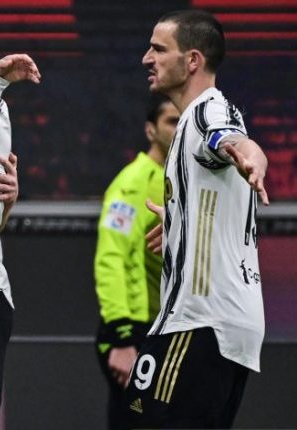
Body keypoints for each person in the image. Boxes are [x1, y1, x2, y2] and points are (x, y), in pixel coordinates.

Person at [124, 10, 269, 428]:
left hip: (200, 321)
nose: (146, 58)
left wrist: (254, 157)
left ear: (192, 61)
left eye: (158, 49)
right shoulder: (202, 117)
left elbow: (232, 141)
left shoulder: (206, 111)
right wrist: (180, 222)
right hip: (222, 323)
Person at [93, 93, 179, 430]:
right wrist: (122, 337)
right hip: (134, 332)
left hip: (167, 330)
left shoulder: (180, 181)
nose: (179, 128)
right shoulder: (132, 185)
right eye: (171, 121)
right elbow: (111, 258)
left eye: (183, 121)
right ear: (150, 130)